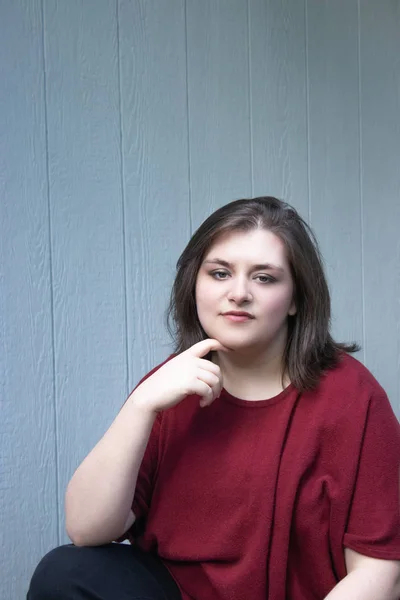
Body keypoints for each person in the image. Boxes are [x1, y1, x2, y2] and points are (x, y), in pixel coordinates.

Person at [28, 196, 400, 600]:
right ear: (195, 285)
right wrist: (140, 406)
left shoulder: (351, 396)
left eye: (264, 278)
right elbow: (86, 528)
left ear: (295, 299)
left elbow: (380, 571)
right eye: (220, 273)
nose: (238, 293)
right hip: (179, 592)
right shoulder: (169, 385)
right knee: (65, 572)